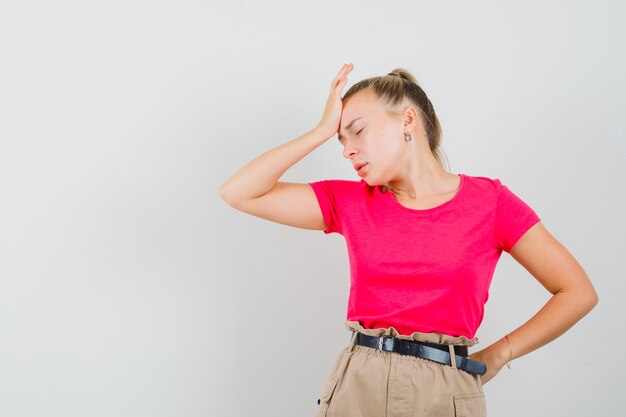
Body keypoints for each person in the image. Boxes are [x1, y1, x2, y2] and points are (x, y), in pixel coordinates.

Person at [218, 63, 599, 417]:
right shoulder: (348, 201)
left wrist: (499, 354)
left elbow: (576, 292)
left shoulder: (491, 202)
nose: (347, 149)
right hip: (358, 383)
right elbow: (239, 192)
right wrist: (319, 131)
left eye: (358, 130)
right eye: (340, 139)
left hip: (446, 388)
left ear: (408, 120)